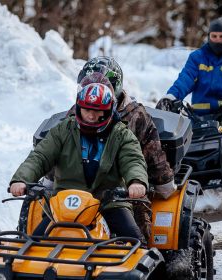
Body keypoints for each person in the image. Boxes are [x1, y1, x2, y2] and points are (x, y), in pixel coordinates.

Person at [10, 80, 148, 241]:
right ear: (78, 107)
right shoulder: (63, 129)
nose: (90, 115)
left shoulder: (122, 135)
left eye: (98, 111)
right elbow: (40, 156)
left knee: (135, 241)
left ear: (109, 110)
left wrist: (136, 181)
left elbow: (133, 160)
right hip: (64, 203)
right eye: (86, 109)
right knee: (33, 244)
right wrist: (21, 179)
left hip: (108, 202)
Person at [75, 57, 177, 241]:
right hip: (80, 188)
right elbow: (58, 148)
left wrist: (163, 183)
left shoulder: (136, 116)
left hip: (123, 189)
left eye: (101, 87)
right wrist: (49, 180)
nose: (94, 93)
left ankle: (143, 261)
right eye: (87, 87)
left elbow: (152, 152)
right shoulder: (77, 113)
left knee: (137, 229)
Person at [156, 17, 222, 131]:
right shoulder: (197, 57)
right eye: (214, 36)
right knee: (178, 139)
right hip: (200, 115)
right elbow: (185, 79)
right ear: (209, 37)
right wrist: (170, 97)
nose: (217, 40)